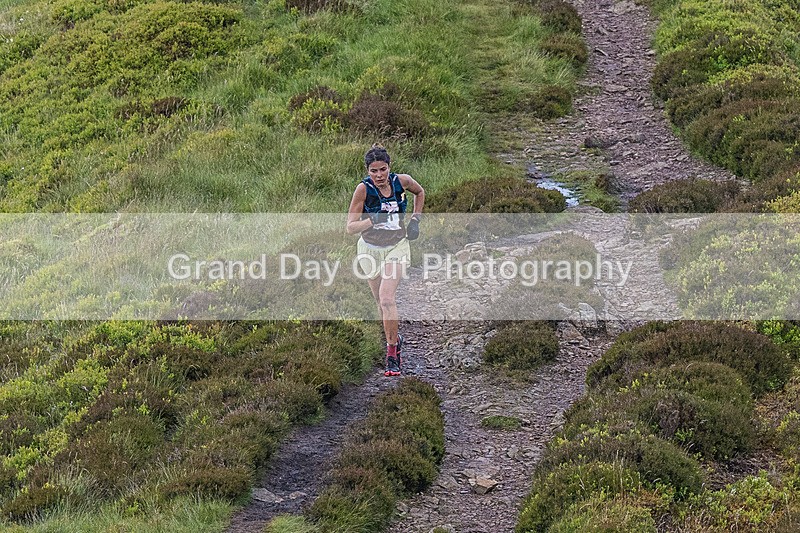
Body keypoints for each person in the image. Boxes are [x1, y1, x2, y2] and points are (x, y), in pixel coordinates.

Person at [346, 144, 425, 376]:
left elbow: (420, 192)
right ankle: (394, 338)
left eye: (383, 169)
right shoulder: (363, 190)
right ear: (367, 171)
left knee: (387, 298)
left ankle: (392, 354)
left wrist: (415, 220)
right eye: (374, 171)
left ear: (390, 167)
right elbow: (350, 227)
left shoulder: (402, 181)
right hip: (370, 250)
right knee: (380, 303)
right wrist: (373, 220)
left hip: (397, 247)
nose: (379, 175)